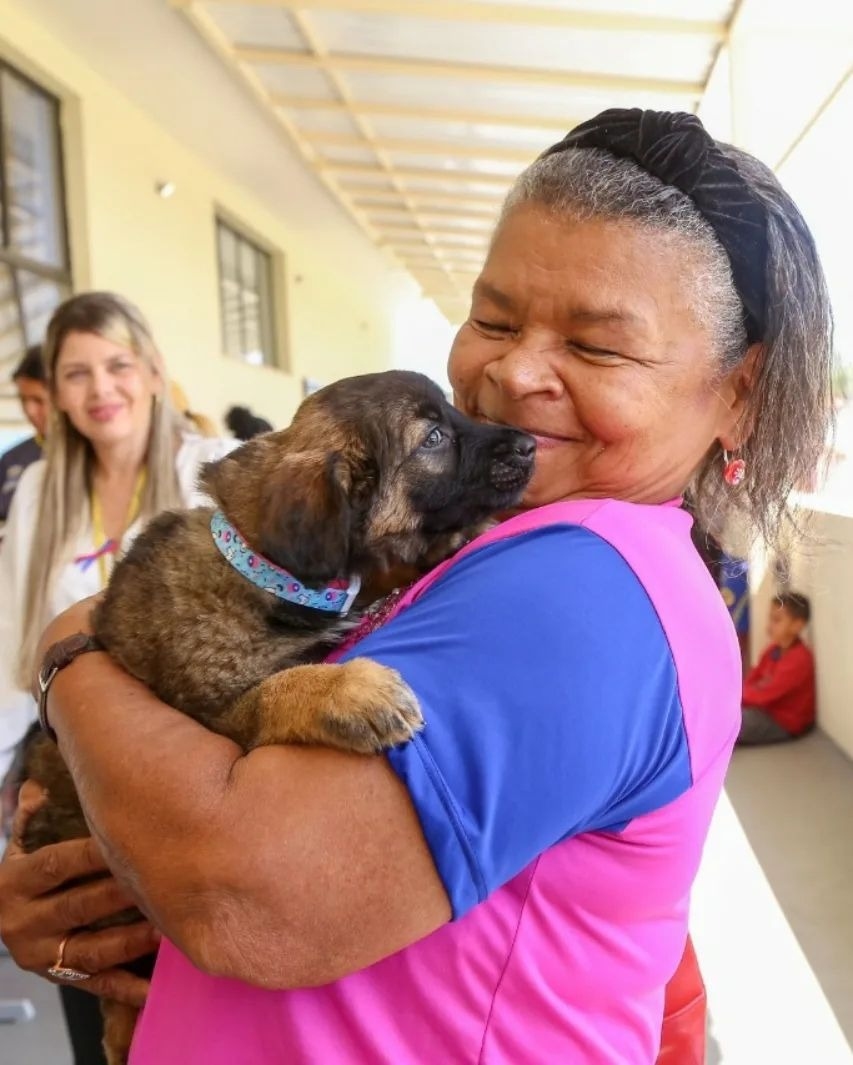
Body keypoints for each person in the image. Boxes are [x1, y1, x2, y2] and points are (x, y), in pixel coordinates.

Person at [0, 110, 833, 1064]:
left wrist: (73, 653)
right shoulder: (492, 549)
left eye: (597, 347)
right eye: (493, 317)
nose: (514, 372)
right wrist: (95, 881)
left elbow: (243, 895)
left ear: (739, 394)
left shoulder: (585, 591)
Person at [0, 291, 235, 1064]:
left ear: (155, 372)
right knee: (91, 978)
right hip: (66, 772)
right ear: (55, 392)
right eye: (77, 373)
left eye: (117, 364)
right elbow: (14, 647)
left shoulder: (212, 474)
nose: (100, 389)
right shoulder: (37, 492)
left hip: (185, 771)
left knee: (189, 1002)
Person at [738, 592, 816, 745]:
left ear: (797, 625)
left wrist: (736, 698)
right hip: (763, 710)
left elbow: (766, 695)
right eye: (770, 619)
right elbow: (753, 679)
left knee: (728, 723)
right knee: (723, 716)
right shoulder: (772, 650)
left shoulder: (799, 658)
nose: (769, 626)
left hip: (782, 722)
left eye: (777, 620)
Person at [0, 345, 51, 543]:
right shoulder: (11, 459)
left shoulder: (91, 454)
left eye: (38, 400)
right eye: (24, 400)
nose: (29, 411)